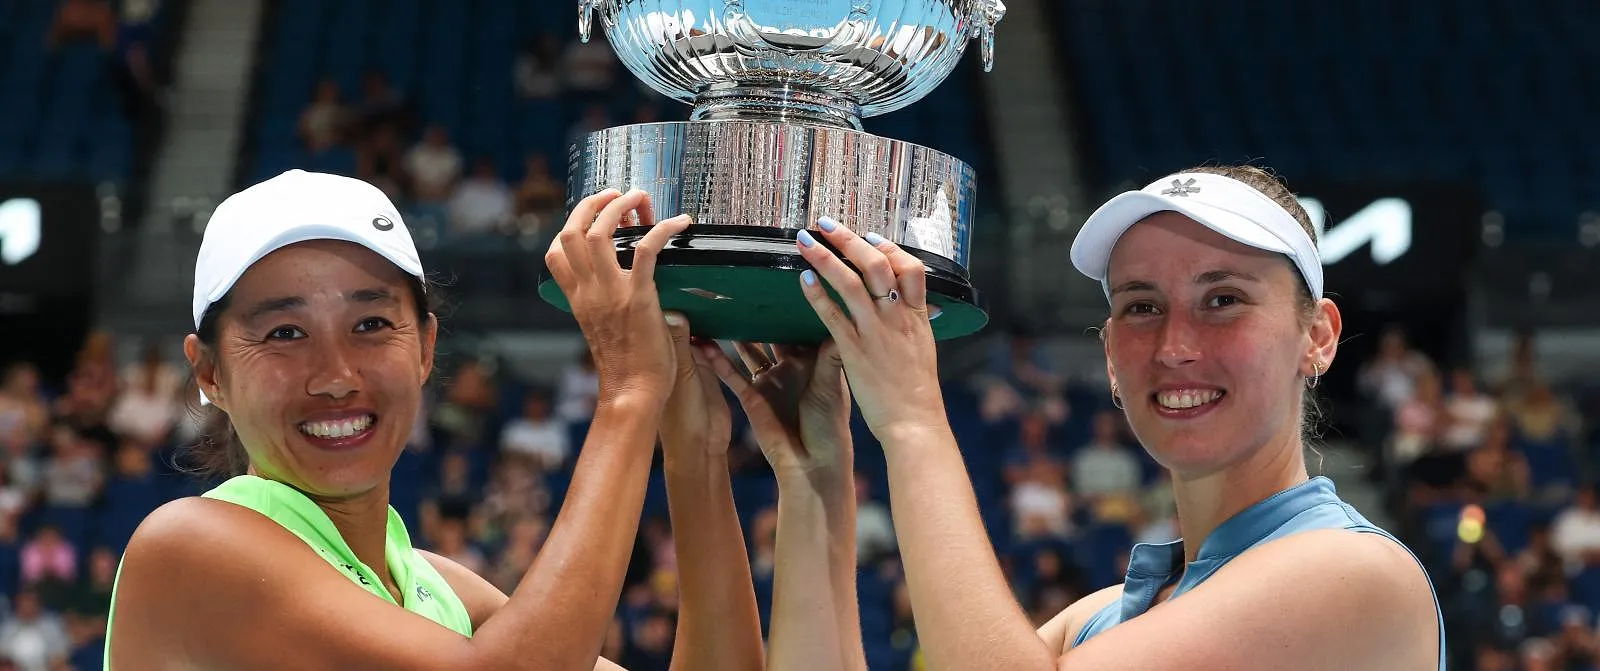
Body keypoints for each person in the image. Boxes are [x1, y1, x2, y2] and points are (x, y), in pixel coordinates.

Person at [777, 167, 1446, 668]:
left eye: (1223, 298)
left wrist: (913, 421)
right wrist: (813, 475)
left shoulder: (1357, 574)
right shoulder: (1096, 620)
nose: (1175, 346)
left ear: (1319, 337)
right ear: (1107, 356)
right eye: (1141, 306)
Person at [103, 171, 764, 669]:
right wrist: (626, 394)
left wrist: (695, 446)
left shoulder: (438, 589)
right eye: (284, 331)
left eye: (369, 324)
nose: (336, 375)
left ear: (423, 346)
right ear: (210, 372)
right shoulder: (187, 546)